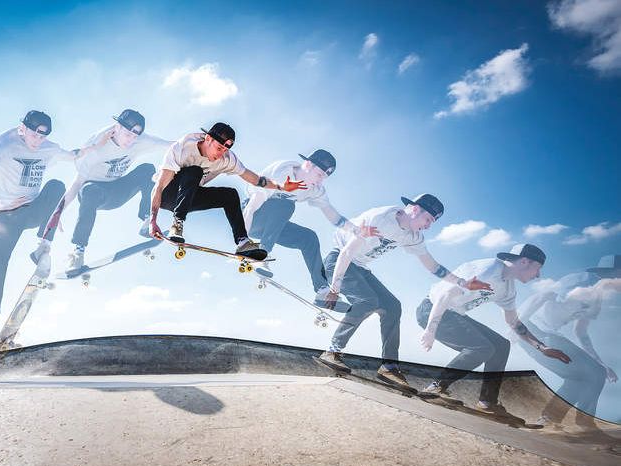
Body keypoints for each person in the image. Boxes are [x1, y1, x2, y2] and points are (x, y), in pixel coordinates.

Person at [0, 110, 106, 348]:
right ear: (23, 129)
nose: (39, 139)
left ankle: (42, 246)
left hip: (32, 210)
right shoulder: (5, 147)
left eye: (44, 134)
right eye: (35, 133)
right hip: (6, 216)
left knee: (57, 185)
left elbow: (73, 155)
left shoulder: (50, 148)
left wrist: (98, 145)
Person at [314, 194, 491, 390]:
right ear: (415, 209)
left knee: (392, 306)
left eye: (432, 222)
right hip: (338, 260)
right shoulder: (381, 218)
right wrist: (334, 288)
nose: (428, 226)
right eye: (428, 220)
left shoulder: (413, 236)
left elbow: (431, 265)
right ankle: (332, 351)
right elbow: (347, 252)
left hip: (361, 268)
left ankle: (389, 367)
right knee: (368, 300)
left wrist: (462, 282)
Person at [416, 243, 572, 413]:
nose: (538, 275)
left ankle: (487, 402)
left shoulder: (508, 289)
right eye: (538, 268)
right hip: (432, 309)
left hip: (454, 314)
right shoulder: (487, 270)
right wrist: (431, 330)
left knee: (501, 346)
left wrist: (542, 347)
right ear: (525, 262)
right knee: (482, 348)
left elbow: (513, 322)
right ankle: (435, 388)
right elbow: (446, 295)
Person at [148, 122, 305, 258]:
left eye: (225, 150)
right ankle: (177, 225)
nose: (221, 154)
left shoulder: (228, 159)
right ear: (208, 139)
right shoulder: (183, 147)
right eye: (219, 148)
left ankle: (243, 242)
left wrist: (281, 186)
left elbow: (255, 179)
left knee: (230, 194)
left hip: (188, 197)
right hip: (166, 196)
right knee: (194, 171)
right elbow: (159, 186)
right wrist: (152, 221)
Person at [243, 149, 378, 301]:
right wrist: (243, 243)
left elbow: (332, 214)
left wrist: (355, 230)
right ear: (308, 164)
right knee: (286, 205)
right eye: (319, 175)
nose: (320, 181)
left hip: (272, 226)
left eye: (324, 178)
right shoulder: (282, 171)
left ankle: (322, 289)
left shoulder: (314, 189)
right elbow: (251, 208)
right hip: (251, 218)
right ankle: (261, 255)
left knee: (309, 238)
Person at [55, 109, 172, 270]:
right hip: (95, 191)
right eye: (127, 134)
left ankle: (147, 221)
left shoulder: (141, 140)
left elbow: (172, 145)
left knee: (147, 169)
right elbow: (76, 184)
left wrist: (199, 143)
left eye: (134, 136)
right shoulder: (96, 146)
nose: (130, 140)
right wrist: (58, 212)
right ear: (117, 127)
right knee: (90, 190)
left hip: (118, 190)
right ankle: (78, 251)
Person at [517, 254, 619, 425]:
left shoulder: (597, 298)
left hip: (549, 334)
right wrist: (517, 327)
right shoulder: (583, 281)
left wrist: (600, 363)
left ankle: (549, 420)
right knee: (593, 375)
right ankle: (584, 425)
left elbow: (581, 332)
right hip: (533, 330)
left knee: (582, 376)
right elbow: (542, 296)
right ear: (615, 273)